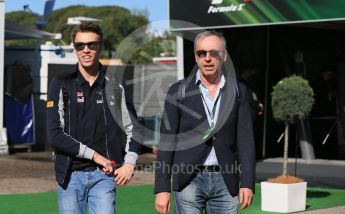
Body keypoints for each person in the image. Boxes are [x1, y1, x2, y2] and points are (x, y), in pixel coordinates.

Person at [154, 31, 256, 214]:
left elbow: (246, 141)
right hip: (188, 180)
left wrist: (247, 182)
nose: (207, 58)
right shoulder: (178, 91)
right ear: (195, 57)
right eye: (202, 53)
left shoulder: (239, 91)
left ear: (223, 55)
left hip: (226, 181)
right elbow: (167, 141)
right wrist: (162, 188)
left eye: (213, 53)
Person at [47, 22, 142, 214]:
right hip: (69, 175)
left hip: (104, 176)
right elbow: (55, 135)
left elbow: (135, 129)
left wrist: (130, 162)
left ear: (101, 47)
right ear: (74, 49)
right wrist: (96, 156)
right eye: (80, 45)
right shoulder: (61, 83)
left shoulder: (116, 84)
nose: (86, 50)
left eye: (92, 44)